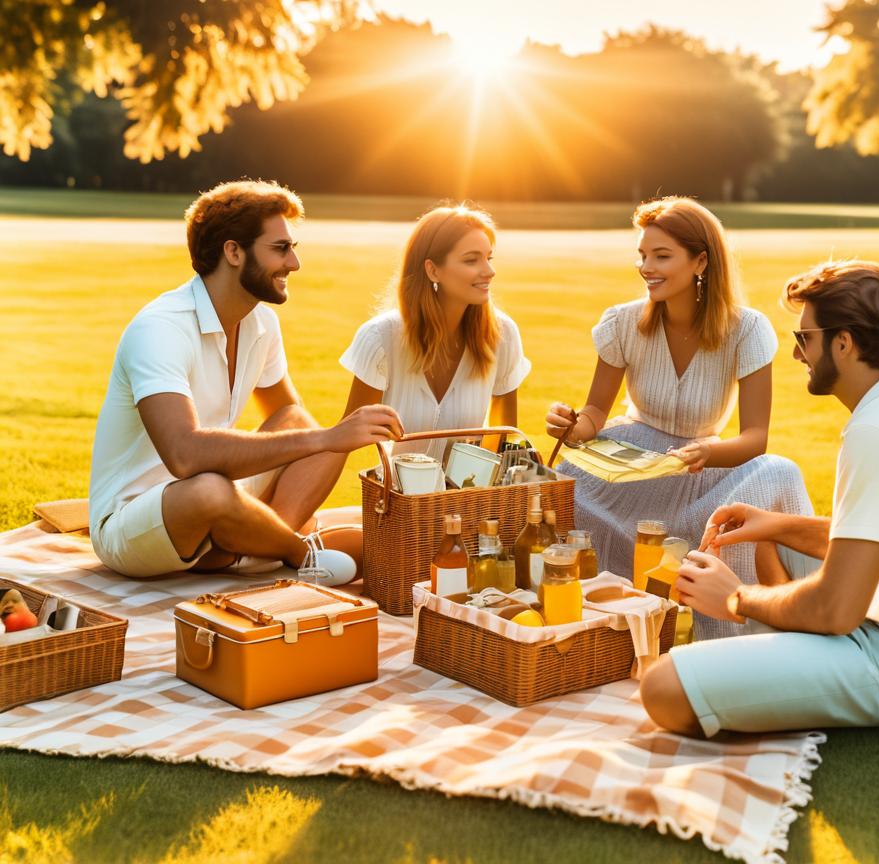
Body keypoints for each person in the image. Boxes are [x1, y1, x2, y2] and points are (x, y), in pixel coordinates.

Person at [640, 259, 879, 737]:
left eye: (806, 339)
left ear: (843, 343)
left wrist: (736, 599)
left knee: (663, 688)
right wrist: (775, 525)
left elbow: (837, 610)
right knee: (768, 544)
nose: (798, 354)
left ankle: (768, 661)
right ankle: (776, 660)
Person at [89, 180, 403, 584]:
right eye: (280, 249)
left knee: (295, 420)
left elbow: (291, 429)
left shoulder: (261, 323)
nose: (294, 264)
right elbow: (183, 455)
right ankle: (295, 553)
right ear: (233, 251)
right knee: (209, 490)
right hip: (133, 521)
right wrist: (328, 438)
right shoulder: (160, 328)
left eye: (293, 249)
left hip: (218, 497)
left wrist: (323, 437)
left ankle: (245, 550)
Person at [545, 196, 811, 639]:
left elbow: (755, 438)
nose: (646, 266)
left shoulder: (746, 329)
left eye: (662, 256)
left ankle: (750, 627)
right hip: (633, 465)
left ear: (700, 260)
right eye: (643, 255)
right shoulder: (622, 323)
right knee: (560, 486)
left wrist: (708, 450)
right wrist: (575, 426)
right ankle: (596, 629)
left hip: (706, 464)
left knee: (778, 473)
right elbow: (595, 412)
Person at [339, 204, 530, 465]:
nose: (489, 271)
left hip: (470, 499)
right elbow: (341, 442)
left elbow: (505, 441)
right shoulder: (381, 338)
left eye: (489, 258)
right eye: (472, 260)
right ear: (433, 270)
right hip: (399, 500)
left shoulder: (503, 335)